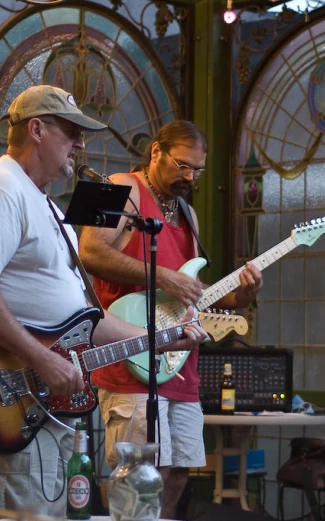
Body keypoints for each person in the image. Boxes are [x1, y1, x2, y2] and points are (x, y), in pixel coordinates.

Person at [0, 86, 206, 517]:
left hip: (46, 391)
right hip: (18, 381)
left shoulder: (43, 204)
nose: (81, 144)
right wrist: (42, 359)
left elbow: (85, 321)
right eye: (72, 132)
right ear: (37, 129)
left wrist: (160, 338)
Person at [78, 120, 264, 518]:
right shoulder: (115, 185)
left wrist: (238, 297)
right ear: (156, 151)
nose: (189, 177)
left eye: (197, 170)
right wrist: (162, 275)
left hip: (181, 365)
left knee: (179, 471)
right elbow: (88, 253)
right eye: (182, 165)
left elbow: (189, 294)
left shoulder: (189, 215)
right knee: (139, 472)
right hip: (132, 359)